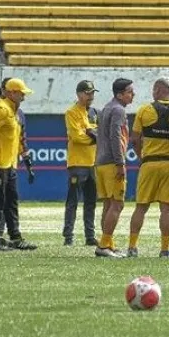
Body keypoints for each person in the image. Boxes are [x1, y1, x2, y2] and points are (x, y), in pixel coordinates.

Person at [0, 78, 37, 251]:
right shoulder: (1, 108)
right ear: (11, 93)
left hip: (9, 164)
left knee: (11, 200)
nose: (24, 96)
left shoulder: (14, 111)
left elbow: (16, 138)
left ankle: (15, 237)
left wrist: (22, 158)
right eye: (21, 92)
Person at [126, 77, 169, 258]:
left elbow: (134, 140)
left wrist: (143, 157)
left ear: (157, 90)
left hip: (149, 164)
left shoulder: (144, 110)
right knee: (167, 210)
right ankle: (165, 250)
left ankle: (132, 247)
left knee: (141, 207)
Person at [94, 78, 135, 258]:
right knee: (117, 204)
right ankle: (103, 245)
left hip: (101, 162)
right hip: (112, 162)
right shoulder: (118, 110)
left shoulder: (106, 108)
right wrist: (120, 162)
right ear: (120, 94)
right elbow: (115, 136)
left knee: (108, 204)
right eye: (129, 92)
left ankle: (108, 243)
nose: (133, 95)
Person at [63, 80, 99, 246]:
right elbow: (77, 137)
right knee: (73, 201)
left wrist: (92, 134)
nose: (90, 96)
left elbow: (97, 133)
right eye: (87, 93)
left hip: (93, 163)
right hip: (77, 163)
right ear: (79, 94)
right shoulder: (72, 112)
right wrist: (94, 138)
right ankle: (68, 236)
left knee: (91, 201)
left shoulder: (94, 112)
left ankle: (90, 236)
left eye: (92, 93)